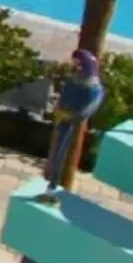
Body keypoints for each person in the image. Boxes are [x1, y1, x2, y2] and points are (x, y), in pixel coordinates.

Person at [40, 50, 103, 199]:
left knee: (61, 152)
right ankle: (50, 179)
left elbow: (86, 110)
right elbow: (64, 97)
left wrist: (70, 116)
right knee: (54, 151)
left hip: (71, 123)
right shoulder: (73, 80)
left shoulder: (93, 88)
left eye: (78, 63)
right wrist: (59, 110)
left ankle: (53, 185)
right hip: (62, 119)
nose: (75, 66)